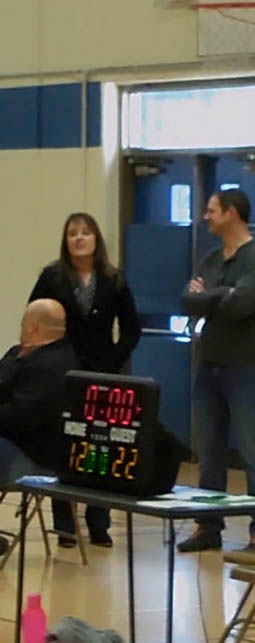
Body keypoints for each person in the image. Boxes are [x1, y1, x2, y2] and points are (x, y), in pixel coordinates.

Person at [176, 189, 255, 553]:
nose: (206, 217)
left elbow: (242, 304)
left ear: (232, 213)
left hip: (246, 367)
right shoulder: (210, 257)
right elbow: (188, 300)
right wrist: (223, 294)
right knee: (209, 452)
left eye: (212, 210)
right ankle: (208, 526)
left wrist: (212, 297)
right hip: (208, 364)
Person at [30, 212, 140, 548]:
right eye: (72, 233)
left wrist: (114, 360)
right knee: (64, 445)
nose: (79, 238)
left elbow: (132, 328)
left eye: (86, 232)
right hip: (62, 371)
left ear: (96, 240)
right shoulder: (52, 277)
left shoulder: (113, 279)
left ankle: (99, 522)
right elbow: (34, 315)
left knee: (102, 448)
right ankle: (65, 524)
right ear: (66, 241)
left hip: (103, 370)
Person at [0, 300, 80, 554]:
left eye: (24, 322)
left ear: (33, 326)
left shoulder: (55, 366)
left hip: (34, 454)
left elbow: (20, 417)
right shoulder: (18, 354)